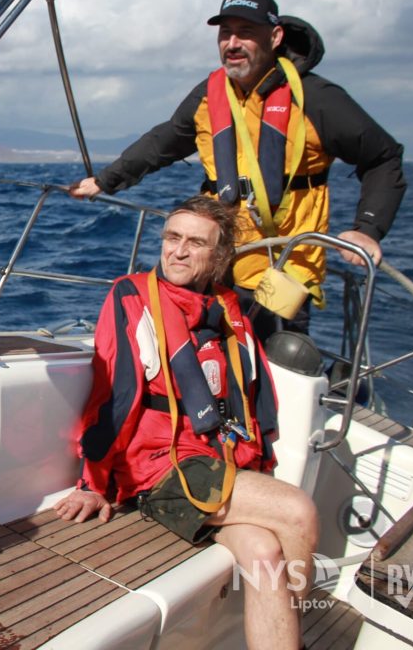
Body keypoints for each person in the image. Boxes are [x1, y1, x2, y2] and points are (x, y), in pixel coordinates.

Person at [54, 195, 318, 649]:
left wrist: (261, 465)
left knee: (265, 554)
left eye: (195, 243)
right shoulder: (132, 296)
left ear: (219, 256)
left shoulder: (227, 308)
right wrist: (92, 482)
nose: (178, 251)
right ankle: (307, 625)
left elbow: (254, 396)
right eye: (172, 238)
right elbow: (115, 395)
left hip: (219, 459)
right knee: (298, 511)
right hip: (160, 467)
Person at [69, 0, 405, 341]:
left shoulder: (316, 98)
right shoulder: (208, 94)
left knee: (272, 363)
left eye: (246, 33)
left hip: (280, 267)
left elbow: (383, 157)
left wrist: (368, 229)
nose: (232, 43)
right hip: (211, 259)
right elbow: (164, 141)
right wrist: (105, 180)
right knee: (187, 348)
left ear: (275, 37)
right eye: (225, 33)